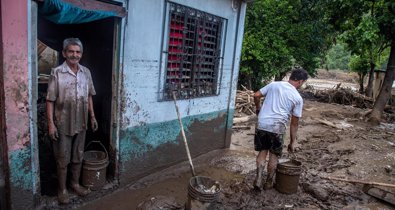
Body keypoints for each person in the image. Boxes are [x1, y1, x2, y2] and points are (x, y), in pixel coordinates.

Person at [46, 38, 98, 204]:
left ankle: (74, 183)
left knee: (78, 154)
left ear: (81, 54)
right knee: (62, 157)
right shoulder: (57, 72)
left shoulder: (86, 72)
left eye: (78, 52)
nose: (74, 55)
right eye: (71, 51)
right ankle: (62, 189)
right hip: (62, 122)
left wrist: (92, 116)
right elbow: (50, 100)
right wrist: (51, 124)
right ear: (64, 53)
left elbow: (89, 95)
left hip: (81, 121)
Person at [252, 68, 308, 191]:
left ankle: (259, 178)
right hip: (277, 127)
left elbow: (256, 95)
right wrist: (293, 142)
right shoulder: (298, 98)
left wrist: (258, 108)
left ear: (291, 77)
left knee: (262, 151)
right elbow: (294, 124)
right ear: (300, 81)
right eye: (302, 83)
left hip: (262, 124)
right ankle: (268, 182)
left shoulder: (274, 85)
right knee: (274, 156)